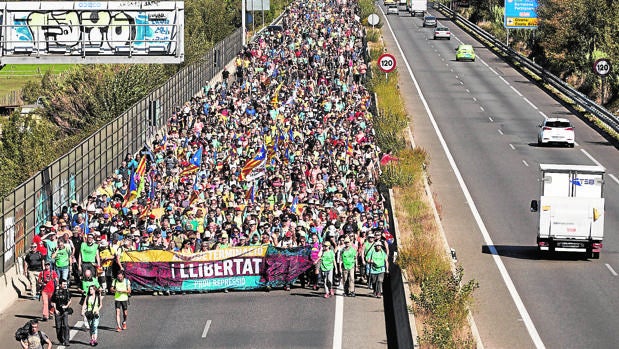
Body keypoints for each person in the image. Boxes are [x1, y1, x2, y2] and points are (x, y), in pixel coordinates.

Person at [50, 279, 72, 346]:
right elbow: (52, 302)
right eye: (64, 284)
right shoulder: (56, 291)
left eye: (66, 284)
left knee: (66, 326)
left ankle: (67, 340)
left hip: (65, 312)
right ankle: (61, 339)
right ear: (60, 284)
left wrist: (66, 306)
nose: (65, 285)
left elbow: (70, 300)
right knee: (58, 327)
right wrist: (55, 310)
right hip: (58, 312)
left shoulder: (67, 291)